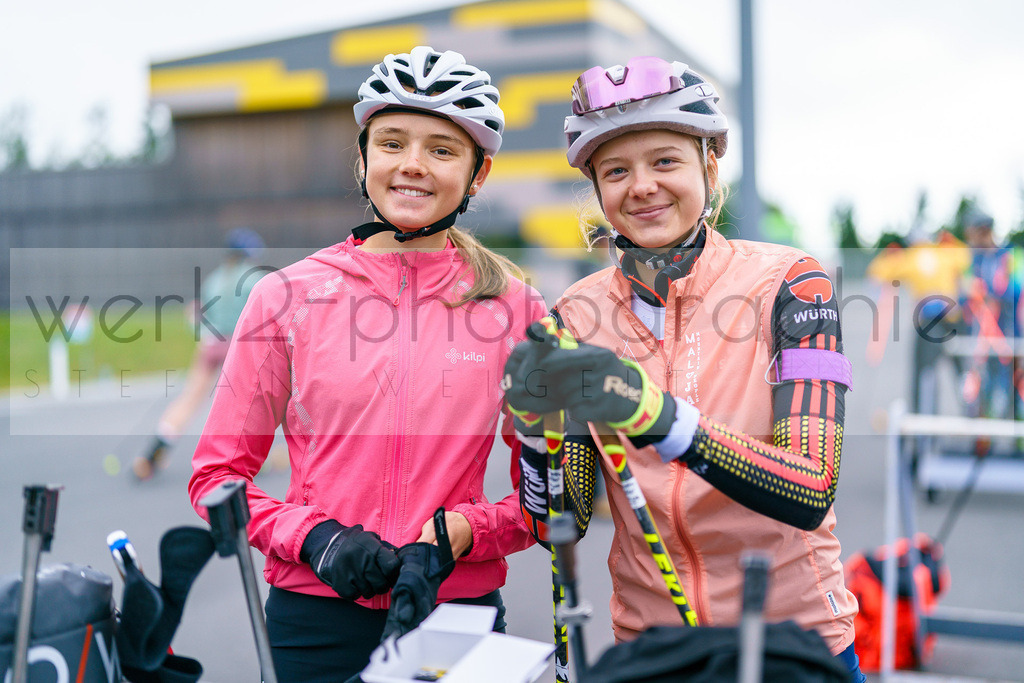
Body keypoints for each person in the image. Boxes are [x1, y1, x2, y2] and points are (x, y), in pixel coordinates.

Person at [187, 47, 546, 682]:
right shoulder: (286, 296)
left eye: (441, 149)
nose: (412, 165)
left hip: (454, 611)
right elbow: (217, 475)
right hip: (313, 618)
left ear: (478, 172)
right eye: (392, 143)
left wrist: (465, 531)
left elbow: (543, 500)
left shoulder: (515, 307)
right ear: (363, 158)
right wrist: (313, 539)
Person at [502, 56, 867, 681]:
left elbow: (809, 488)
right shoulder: (574, 315)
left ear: (709, 164)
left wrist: (660, 419)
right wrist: (539, 438)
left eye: (665, 161)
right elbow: (563, 521)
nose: (641, 186)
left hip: (791, 641)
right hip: (653, 648)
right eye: (616, 170)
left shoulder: (791, 282)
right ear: (598, 190)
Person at [133, 227, 266, 480]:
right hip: (237, 347)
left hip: (209, 345)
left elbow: (200, 316)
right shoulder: (254, 278)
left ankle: (158, 447)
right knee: (252, 402)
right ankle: (248, 455)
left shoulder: (214, 279)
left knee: (189, 398)